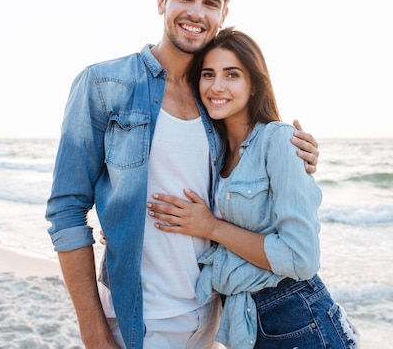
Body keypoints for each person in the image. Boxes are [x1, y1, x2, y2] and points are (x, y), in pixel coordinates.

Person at [45, 0, 319, 349]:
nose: (196, 12)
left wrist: (301, 157)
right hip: (138, 319)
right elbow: (66, 211)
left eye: (211, 2)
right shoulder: (105, 86)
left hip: (211, 315)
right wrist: (93, 332)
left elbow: (254, 177)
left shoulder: (216, 99)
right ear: (161, 1)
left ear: (223, 15)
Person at [146, 27, 360, 349]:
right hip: (245, 323)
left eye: (232, 75)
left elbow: (301, 257)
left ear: (254, 84)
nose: (217, 86)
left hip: (299, 318)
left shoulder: (278, 140)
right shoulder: (213, 151)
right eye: (208, 74)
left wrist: (212, 227)